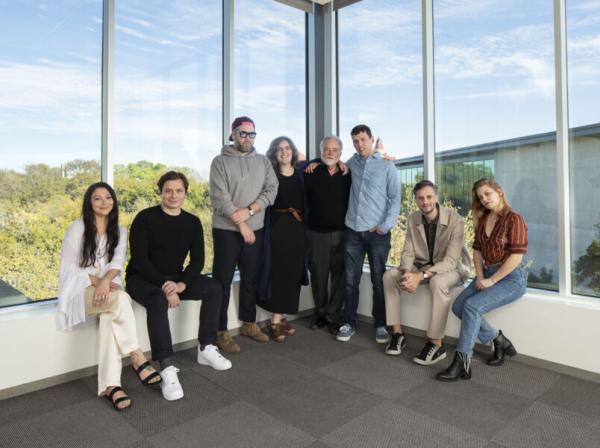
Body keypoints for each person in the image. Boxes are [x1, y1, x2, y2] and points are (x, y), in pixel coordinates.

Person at [126, 171, 231, 402]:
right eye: (168, 191)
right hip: (142, 278)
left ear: (185, 193)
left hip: (174, 279)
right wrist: (166, 286)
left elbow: (198, 261)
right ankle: (165, 367)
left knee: (213, 288)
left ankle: (206, 348)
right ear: (161, 192)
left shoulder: (192, 222)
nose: (173, 195)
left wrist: (182, 283)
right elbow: (140, 260)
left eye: (178, 191)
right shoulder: (145, 218)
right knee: (157, 299)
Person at [57, 182, 162, 411]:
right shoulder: (77, 228)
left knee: (109, 316)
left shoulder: (120, 231)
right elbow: (68, 269)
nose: (104, 202)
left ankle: (111, 386)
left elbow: (117, 263)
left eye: (108, 197)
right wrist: (97, 281)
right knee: (121, 300)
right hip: (79, 291)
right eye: (97, 198)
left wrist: (105, 282)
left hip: (107, 287)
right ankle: (136, 354)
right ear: (89, 203)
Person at [437, 178, 528, 382]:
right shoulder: (484, 218)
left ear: (499, 191)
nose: (484, 199)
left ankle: (462, 362)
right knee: (459, 306)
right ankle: (499, 339)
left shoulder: (514, 219)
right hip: (486, 273)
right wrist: (479, 276)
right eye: (480, 197)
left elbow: (516, 257)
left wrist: (492, 280)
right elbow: (477, 250)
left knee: (472, 306)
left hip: (511, 278)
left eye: (487, 194)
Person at [210, 116, 279, 353]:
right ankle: (220, 331)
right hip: (226, 231)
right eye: (242, 133)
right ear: (233, 134)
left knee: (250, 277)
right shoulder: (219, 162)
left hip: (255, 228)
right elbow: (220, 198)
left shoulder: (263, 162)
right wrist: (242, 225)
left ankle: (249, 323)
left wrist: (250, 211)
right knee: (222, 281)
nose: (247, 138)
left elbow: (272, 190)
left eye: (251, 134)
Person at [383, 180, 471, 365]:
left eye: (429, 197)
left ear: (436, 197)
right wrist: (407, 273)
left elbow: (450, 260)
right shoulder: (413, 218)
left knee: (437, 282)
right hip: (422, 266)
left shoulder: (455, 219)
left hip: (453, 268)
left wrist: (420, 277)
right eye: (421, 198)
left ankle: (436, 344)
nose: (425, 202)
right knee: (390, 276)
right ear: (415, 200)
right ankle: (397, 334)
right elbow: (408, 251)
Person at [337, 124, 400, 343]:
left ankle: (381, 324)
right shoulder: (351, 163)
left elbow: (395, 198)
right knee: (350, 280)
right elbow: (333, 164)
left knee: (378, 281)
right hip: (353, 230)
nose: (359, 144)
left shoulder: (386, 165)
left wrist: (385, 225)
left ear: (371, 139)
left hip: (378, 234)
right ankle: (349, 323)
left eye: (363, 139)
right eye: (355, 141)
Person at [258, 136, 308, 342]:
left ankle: (283, 316)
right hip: (277, 228)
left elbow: (321, 162)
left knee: (293, 272)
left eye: (288, 148)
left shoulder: (301, 173)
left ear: (293, 151)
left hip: (297, 229)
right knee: (278, 273)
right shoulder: (269, 174)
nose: (284, 152)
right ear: (274, 153)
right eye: (279, 149)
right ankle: (275, 321)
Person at [304, 135, 351, 334]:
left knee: (339, 277)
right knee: (319, 276)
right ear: (320, 152)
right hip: (316, 234)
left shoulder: (347, 173)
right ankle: (320, 314)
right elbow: (289, 163)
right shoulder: (310, 171)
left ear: (340, 153)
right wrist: (313, 162)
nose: (330, 152)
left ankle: (333, 316)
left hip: (342, 233)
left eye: (334, 150)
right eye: (326, 149)